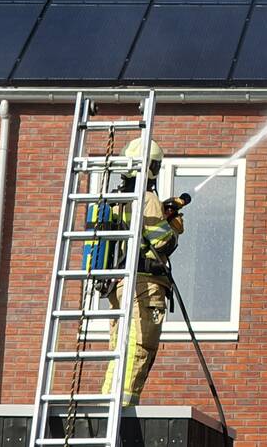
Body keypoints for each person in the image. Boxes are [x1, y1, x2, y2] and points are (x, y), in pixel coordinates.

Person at [101, 137, 184, 406]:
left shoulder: (117, 198)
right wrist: (170, 223)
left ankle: (108, 403)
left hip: (121, 285)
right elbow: (163, 242)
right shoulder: (146, 198)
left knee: (120, 349)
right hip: (144, 287)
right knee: (139, 347)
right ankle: (123, 408)